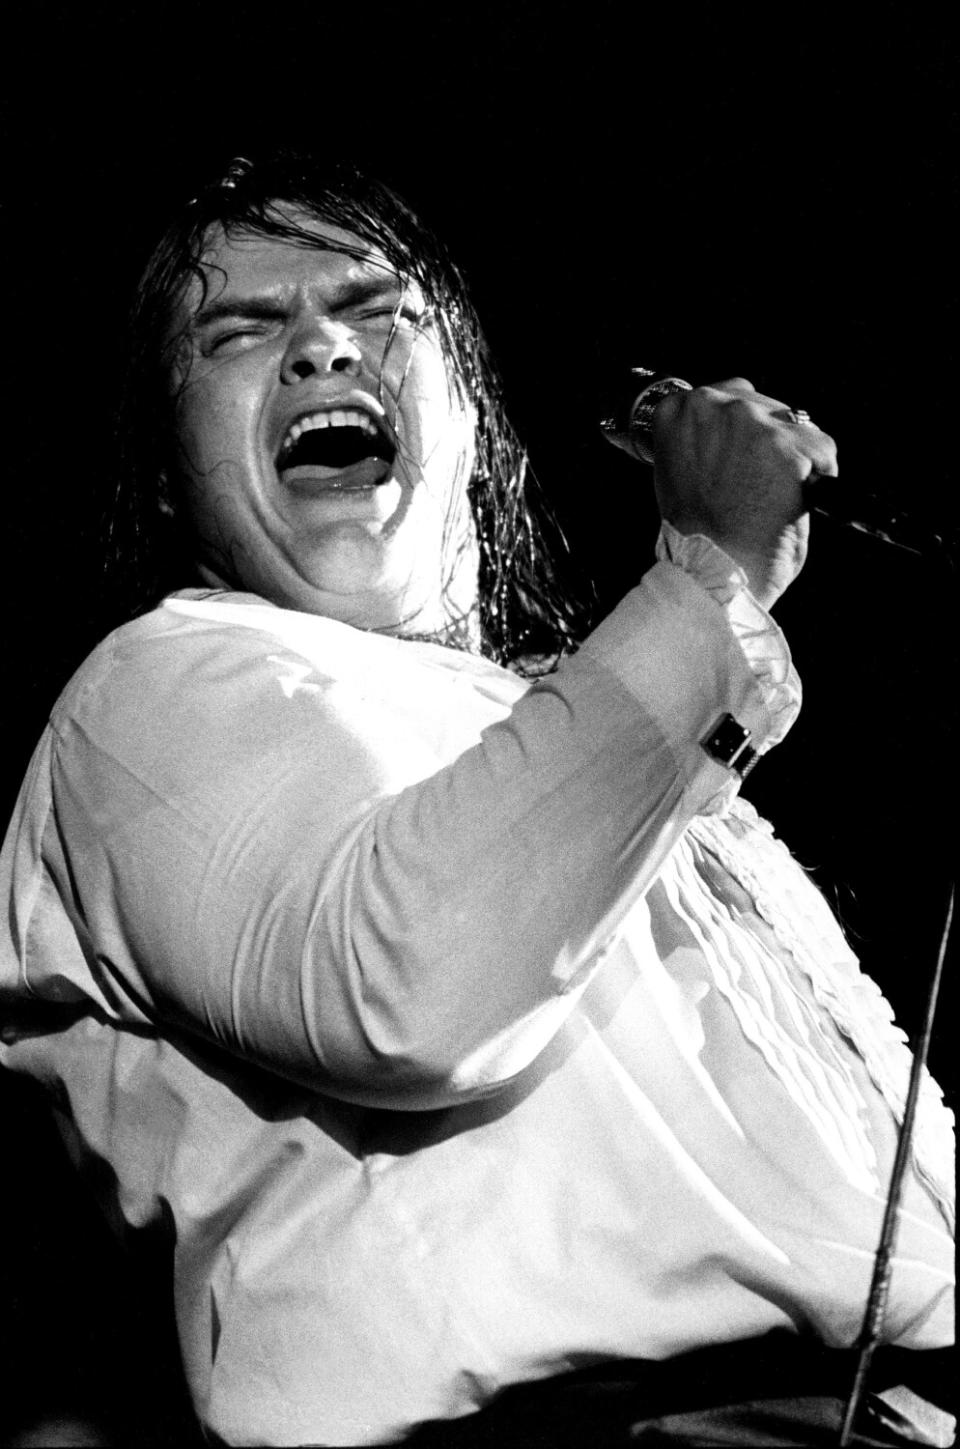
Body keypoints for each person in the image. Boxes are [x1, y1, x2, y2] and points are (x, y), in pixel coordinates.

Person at [0, 153, 953, 1448]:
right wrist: (711, 578)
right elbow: (409, 984)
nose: (324, 347)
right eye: (243, 328)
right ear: (171, 471)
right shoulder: (149, 693)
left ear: (470, 408)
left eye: (378, 308)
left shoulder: (603, 736)